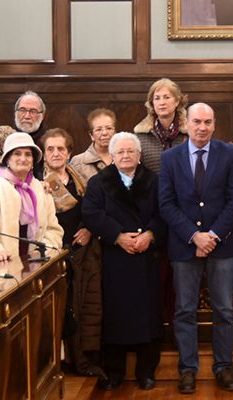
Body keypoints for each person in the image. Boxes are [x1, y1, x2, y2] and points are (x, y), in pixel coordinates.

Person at [159, 103, 233, 394]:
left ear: (214, 124)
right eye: (197, 121)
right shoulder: (170, 158)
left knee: (224, 310)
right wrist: (194, 236)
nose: (202, 127)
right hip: (185, 247)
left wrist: (213, 235)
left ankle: (223, 367)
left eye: (208, 121)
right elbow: (166, 204)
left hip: (222, 246)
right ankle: (188, 369)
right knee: (184, 310)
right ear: (187, 122)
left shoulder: (230, 154)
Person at [81, 132, 165, 391]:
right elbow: (91, 213)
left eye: (131, 151)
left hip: (146, 259)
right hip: (115, 258)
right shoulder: (98, 182)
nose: (126, 156)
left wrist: (150, 235)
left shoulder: (154, 181)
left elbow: (165, 212)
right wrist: (117, 236)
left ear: (139, 156)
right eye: (121, 152)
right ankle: (114, 372)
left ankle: (146, 372)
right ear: (113, 156)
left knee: (148, 316)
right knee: (115, 316)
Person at [40, 128, 104, 378]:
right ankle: (61, 364)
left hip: (83, 253)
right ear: (44, 154)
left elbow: (91, 210)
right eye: (51, 149)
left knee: (86, 307)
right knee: (61, 311)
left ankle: (84, 360)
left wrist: (88, 228)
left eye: (61, 149)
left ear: (69, 152)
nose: (56, 153)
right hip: (55, 254)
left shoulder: (77, 177)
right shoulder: (39, 182)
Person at [0, 132, 63, 267]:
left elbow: (53, 229)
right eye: (17, 153)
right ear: (7, 159)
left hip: (34, 266)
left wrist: (43, 251)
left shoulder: (41, 190)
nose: (23, 158)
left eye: (28, 154)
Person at [134, 78, 188, 174]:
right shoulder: (140, 136)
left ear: (177, 101)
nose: (162, 103)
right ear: (152, 103)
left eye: (167, 97)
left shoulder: (190, 133)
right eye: (157, 98)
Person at [70, 108, 116, 181]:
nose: (104, 133)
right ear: (91, 135)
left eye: (109, 128)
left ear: (115, 132)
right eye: (98, 129)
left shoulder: (124, 157)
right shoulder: (78, 162)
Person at [13, 91, 47, 179]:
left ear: (42, 116)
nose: (27, 116)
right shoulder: (7, 139)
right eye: (22, 110)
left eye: (33, 111)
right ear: (15, 113)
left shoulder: (49, 142)